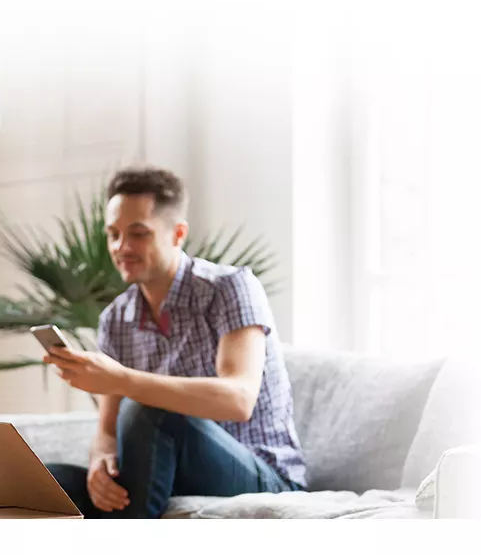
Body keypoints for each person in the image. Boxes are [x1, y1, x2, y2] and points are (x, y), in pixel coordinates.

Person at [41, 165, 306, 518]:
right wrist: (100, 462)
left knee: (148, 409)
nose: (122, 247)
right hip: (165, 471)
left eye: (138, 234)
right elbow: (106, 430)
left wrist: (121, 379)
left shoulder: (229, 289)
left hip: (261, 473)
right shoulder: (116, 319)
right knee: (43, 483)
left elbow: (238, 399)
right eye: (113, 234)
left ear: (178, 234)